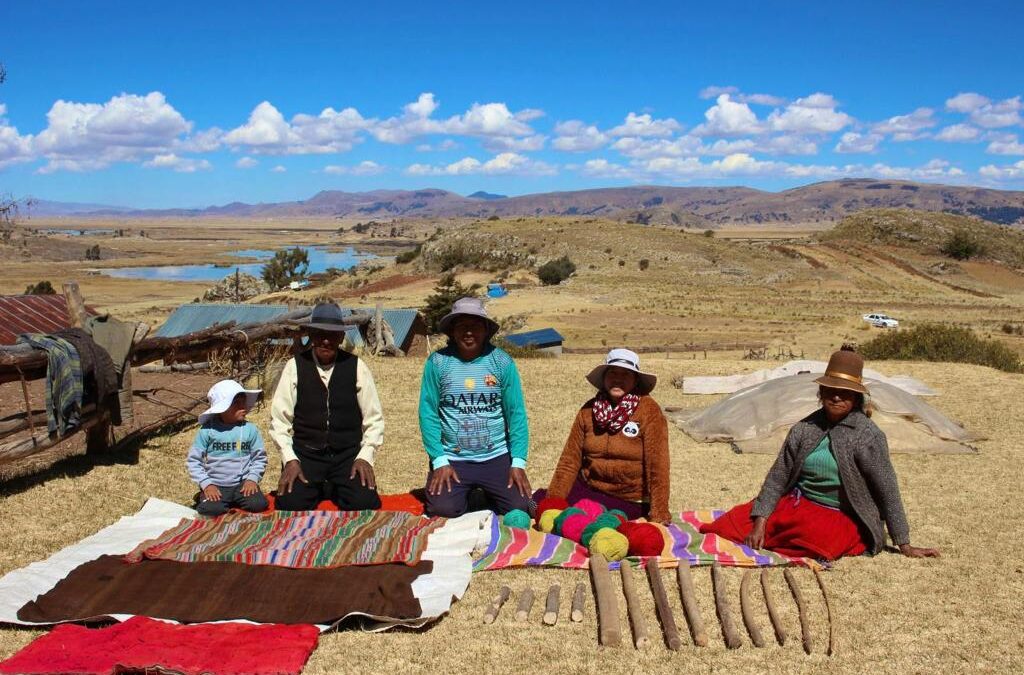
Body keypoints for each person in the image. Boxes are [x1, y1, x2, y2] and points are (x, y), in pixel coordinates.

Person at [700, 348, 940, 560]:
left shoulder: (867, 435)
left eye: (845, 392)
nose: (836, 397)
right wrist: (760, 521)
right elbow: (778, 477)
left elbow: (887, 488)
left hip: (842, 514)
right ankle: (772, 531)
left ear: (856, 397)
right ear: (821, 392)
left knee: (817, 540)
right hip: (798, 503)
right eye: (830, 390)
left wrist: (903, 542)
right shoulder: (805, 429)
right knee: (730, 524)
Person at [419, 297, 531, 517]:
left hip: (496, 456)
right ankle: (468, 493)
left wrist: (518, 462)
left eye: (475, 326)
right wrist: (439, 460)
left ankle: (487, 491)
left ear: (486, 330)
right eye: (462, 326)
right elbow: (428, 412)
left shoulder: (502, 362)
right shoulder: (438, 362)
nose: (469, 332)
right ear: (452, 331)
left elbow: (516, 414)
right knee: (442, 510)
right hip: (453, 458)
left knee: (523, 508)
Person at [269, 303, 384, 511]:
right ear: (311, 335)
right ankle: (324, 486)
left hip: (347, 455)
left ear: (341, 337)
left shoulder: (357, 366)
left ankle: (334, 486)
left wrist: (365, 456)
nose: (325, 340)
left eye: (332, 335)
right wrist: (290, 459)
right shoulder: (294, 367)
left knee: (364, 502)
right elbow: (279, 421)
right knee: (290, 503)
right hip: (306, 454)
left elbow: (374, 419)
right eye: (319, 334)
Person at [543, 348, 671, 523]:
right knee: (539, 502)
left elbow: (658, 465)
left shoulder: (649, 411)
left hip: (629, 498)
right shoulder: (588, 411)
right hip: (590, 488)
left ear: (635, 380)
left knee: (596, 521)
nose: (618, 379)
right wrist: (552, 503)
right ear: (604, 378)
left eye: (626, 374)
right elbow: (569, 461)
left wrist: (659, 513)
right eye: (612, 372)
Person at [187, 379, 269, 517]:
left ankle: (235, 499)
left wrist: (252, 479)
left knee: (258, 505)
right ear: (222, 407)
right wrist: (207, 484)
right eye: (236, 403)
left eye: (244, 401)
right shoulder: (207, 431)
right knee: (211, 510)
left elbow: (259, 458)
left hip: (242, 484)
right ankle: (204, 495)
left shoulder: (250, 430)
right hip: (216, 484)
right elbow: (194, 461)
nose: (243, 406)